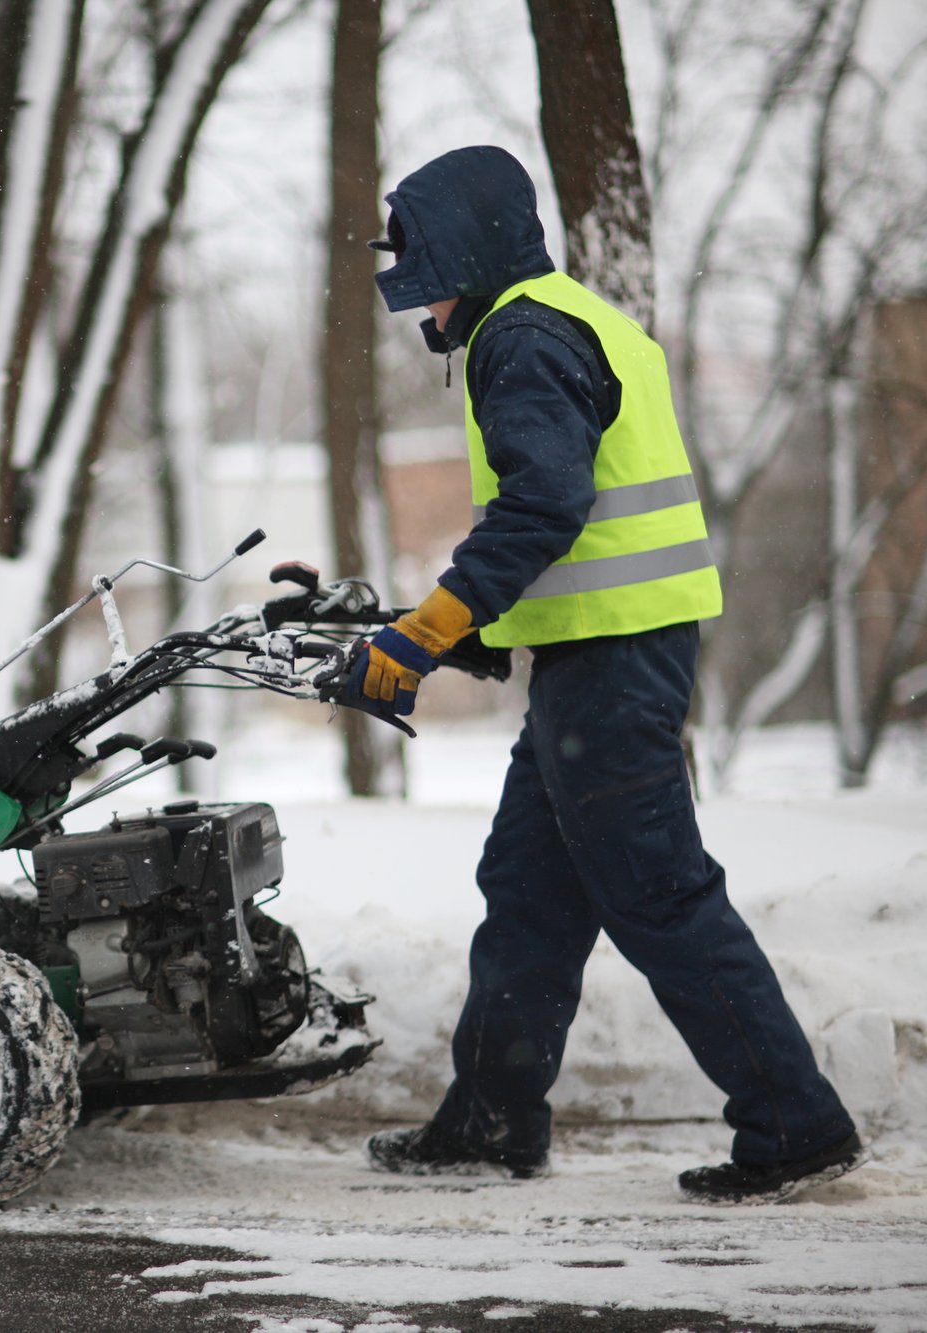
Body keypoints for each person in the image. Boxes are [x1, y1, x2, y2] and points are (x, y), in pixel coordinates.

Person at [345, 144, 862, 1204]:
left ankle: (793, 1124)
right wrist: (484, 633)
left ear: (465, 251)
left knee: (659, 895)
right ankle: (490, 1119)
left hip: (614, 664)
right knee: (529, 895)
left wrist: (426, 630)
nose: (419, 300)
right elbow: (571, 525)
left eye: (425, 269)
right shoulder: (555, 317)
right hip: (600, 654)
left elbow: (544, 504)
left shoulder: (521, 338)